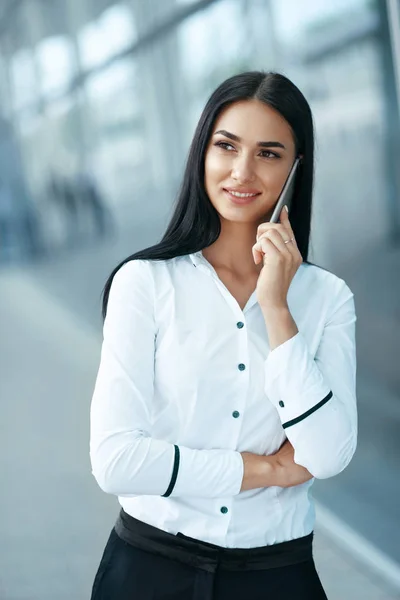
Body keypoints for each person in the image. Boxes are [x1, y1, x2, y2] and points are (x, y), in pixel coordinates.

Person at [89, 71, 357, 599]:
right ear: (202, 153)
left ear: (297, 170)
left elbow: (326, 456)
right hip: (149, 568)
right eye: (226, 146)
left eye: (269, 153)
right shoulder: (144, 283)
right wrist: (266, 470)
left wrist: (278, 309)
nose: (241, 171)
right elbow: (115, 460)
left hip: (277, 576)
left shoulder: (327, 298)